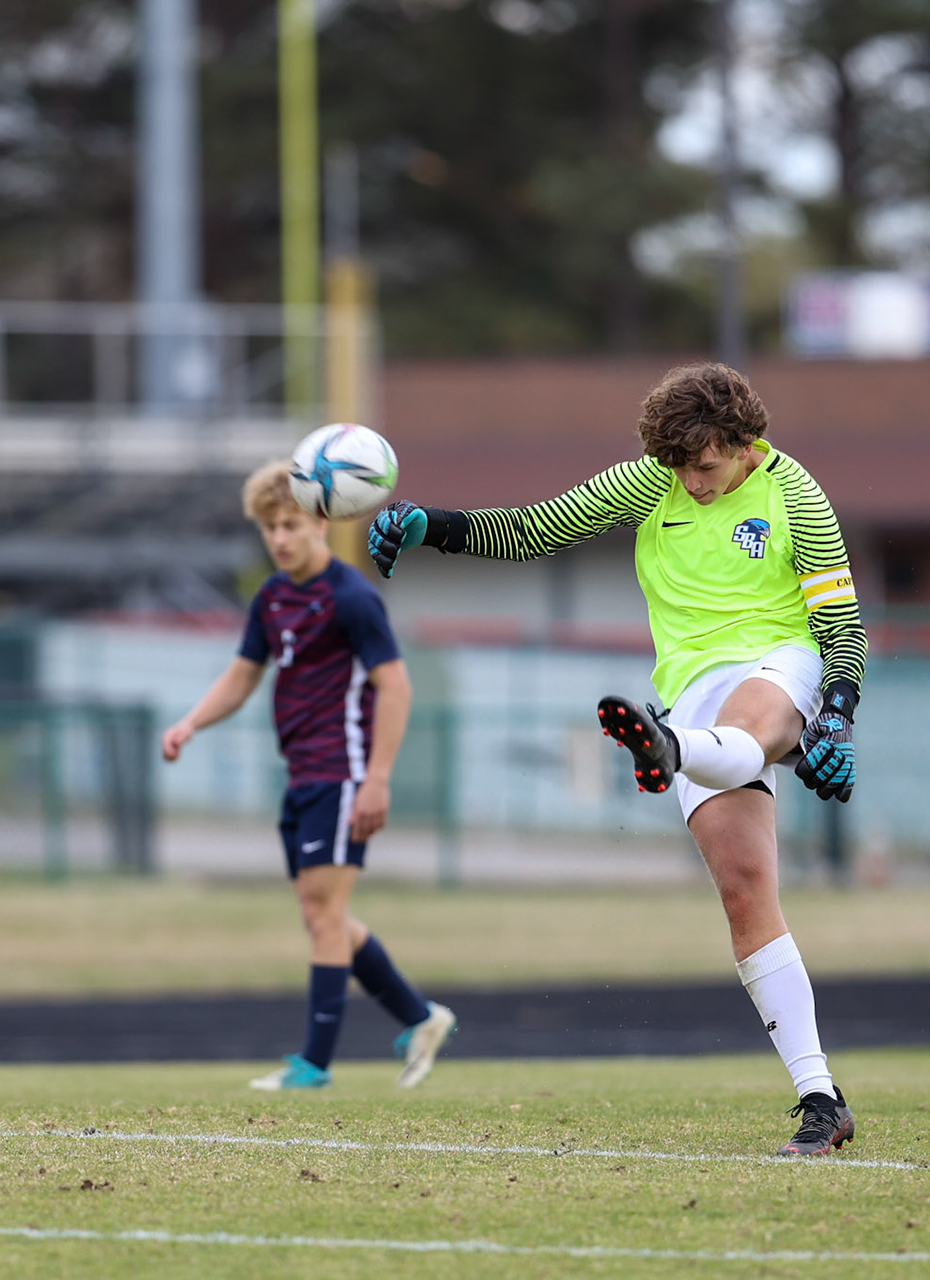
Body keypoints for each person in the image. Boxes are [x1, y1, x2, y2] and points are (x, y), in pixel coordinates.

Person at [367, 363, 862, 1155]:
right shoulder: (653, 482)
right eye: (679, 468)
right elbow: (533, 530)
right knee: (744, 893)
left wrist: (835, 714)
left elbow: (842, 628)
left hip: (780, 658)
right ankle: (821, 1098)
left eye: (704, 466)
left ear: (743, 444)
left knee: (748, 719)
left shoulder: (795, 495)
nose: (692, 483)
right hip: (690, 686)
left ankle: (675, 750)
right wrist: (430, 524)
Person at [162, 461, 456, 1092]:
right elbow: (242, 676)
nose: (280, 538)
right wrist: (190, 724)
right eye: (270, 527)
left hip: (344, 773)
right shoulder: (272, 598)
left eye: (291, 523)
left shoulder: (351, 598)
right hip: (301, 776)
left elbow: (395, 686)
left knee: (325, 915)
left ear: (322, 520)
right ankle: (420, 1017)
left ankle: (314, 1066)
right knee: (322, 913)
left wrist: (377, 779)